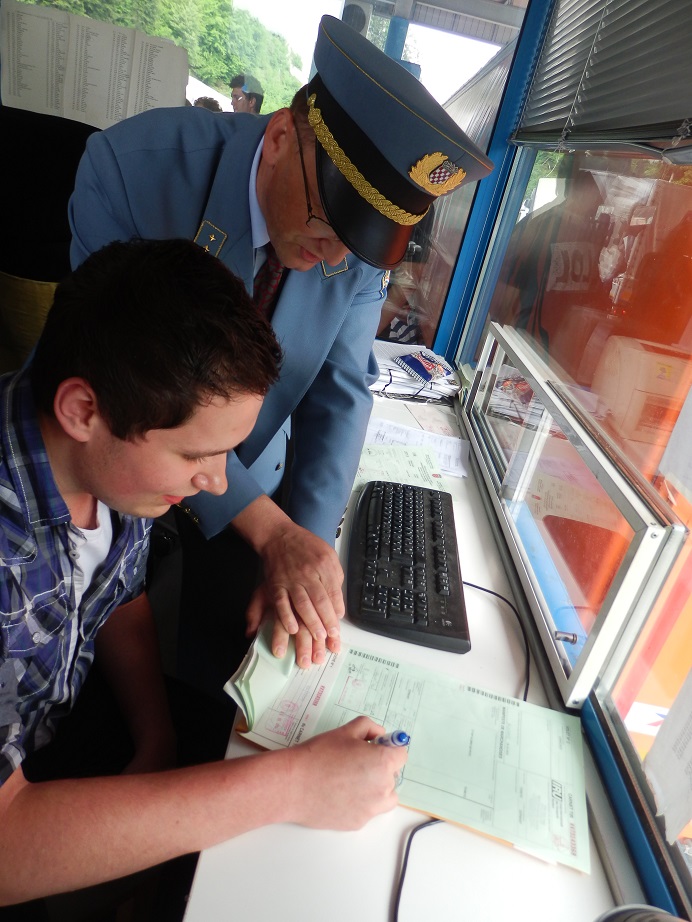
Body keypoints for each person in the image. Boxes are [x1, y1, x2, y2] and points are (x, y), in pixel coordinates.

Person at [68, 15, 493, 694]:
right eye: (328, 223)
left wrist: (308, 546)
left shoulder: (349, 252)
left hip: (248, 474)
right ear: (278, 139)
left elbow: (339, 392)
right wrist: (272, 532)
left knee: (242, 671)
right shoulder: (132, 171)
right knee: (90, 668)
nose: (333, 257)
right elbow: (119, 383)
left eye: (359, 247)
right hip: (124, 462)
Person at [0, 237, 407, 913]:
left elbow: (115, 595)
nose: (218, 483)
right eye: (197, 455)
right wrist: (297, 787)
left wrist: (156, 739)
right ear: (82, 411)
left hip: (59, 714)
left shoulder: (111, 470)